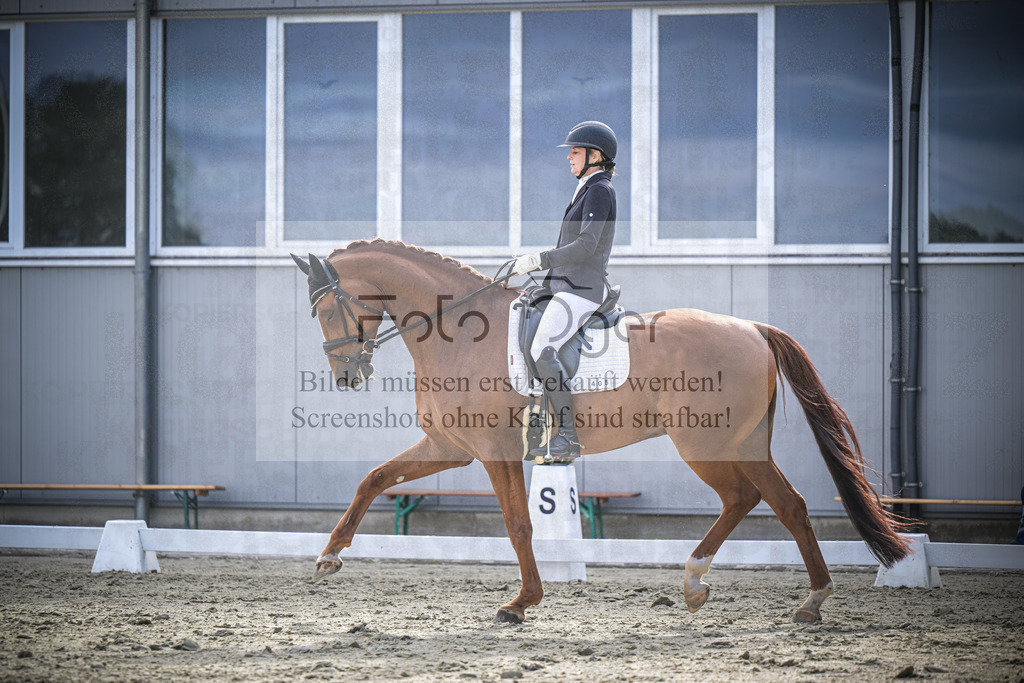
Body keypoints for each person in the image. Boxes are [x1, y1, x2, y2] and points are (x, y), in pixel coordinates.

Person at [511, 120, 618, 461]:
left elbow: (586, 245)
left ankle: (567, 437)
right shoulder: (587, 188)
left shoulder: (599, 190)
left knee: (544, 348)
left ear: (594, 155)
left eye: (575, 152)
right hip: (567, 285)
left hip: (584, 289)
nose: (568, 158)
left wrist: (539, 259)